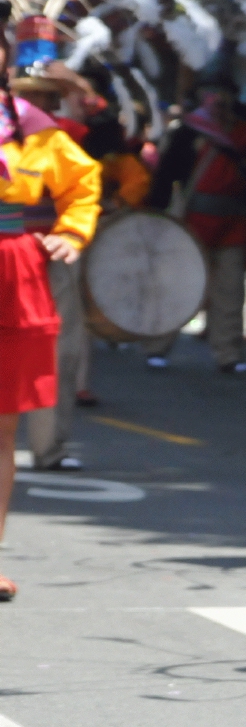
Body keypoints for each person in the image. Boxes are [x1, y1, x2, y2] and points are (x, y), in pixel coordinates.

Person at [0, 11, 102, 601]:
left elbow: (83, 183)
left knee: (2, 426)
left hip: (15, 271)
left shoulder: (33, 128)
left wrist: (73, 230)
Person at [10, 60, 105, 469]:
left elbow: (105, 153)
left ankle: (50, 448)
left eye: (46, 94)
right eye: (29, 92)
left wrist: (70, 234)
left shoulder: (57, 134)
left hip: (45, 255)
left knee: (57, 350)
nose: (37, 101)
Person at [149, 73, 246, 372]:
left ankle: (229, 354)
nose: (216, 99)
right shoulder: (187, 132)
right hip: (193, 221)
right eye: (210, 91)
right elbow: (166, 175)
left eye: (222, 92)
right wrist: (156, 210)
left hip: (233, 222)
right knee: (179, 287)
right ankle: (158, 347)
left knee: (230, 291)